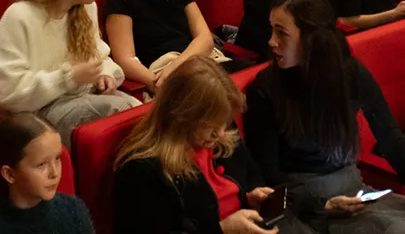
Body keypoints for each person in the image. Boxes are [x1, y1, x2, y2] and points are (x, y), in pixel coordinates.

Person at [244, 0, 405, 230]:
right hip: (300, 204)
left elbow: (393, 142)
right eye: (272, 30)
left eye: (282, 32)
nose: (271, 41)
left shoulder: (349, 72)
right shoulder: (265, 89)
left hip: (352, 190)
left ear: (312, 38)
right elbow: (268, 174)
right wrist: (320, 205)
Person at [114, 56, 292, 234]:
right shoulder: (141, 170)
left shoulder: (220, 134)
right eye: (211, 125)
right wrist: (222, 229)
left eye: (224, 122)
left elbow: (251, 171)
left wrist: (249, 197)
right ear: (182, 117)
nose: (220, 133)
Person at [0, 0, 136, 144]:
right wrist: (69, 77)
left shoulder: (85, 7)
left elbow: (100, 58)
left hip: (83, 95)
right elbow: (5, 92)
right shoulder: (20, 16)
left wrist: (104, 74)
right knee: (121, 113)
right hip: (37, 111)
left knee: (141, 112)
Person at [0, 113, 95, 234]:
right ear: (10, 174)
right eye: (42, 164)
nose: (55, 173)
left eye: (57, 158)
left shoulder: (73, 208)